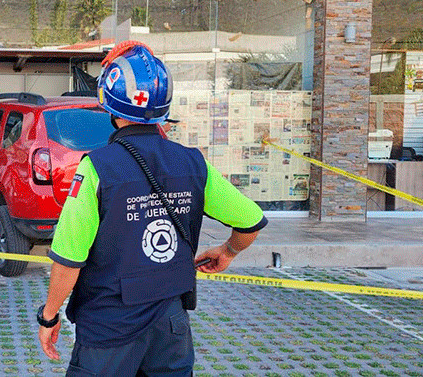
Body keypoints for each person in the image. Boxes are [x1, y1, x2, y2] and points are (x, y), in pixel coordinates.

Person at [36, 41, 268, 376]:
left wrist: (49, 315)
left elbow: (69, 258)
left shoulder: (96, 168)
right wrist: (228, 251)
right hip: (170, 327)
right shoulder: (194, 163)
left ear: (108, 104)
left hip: (108, 329)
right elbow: (250, 222)